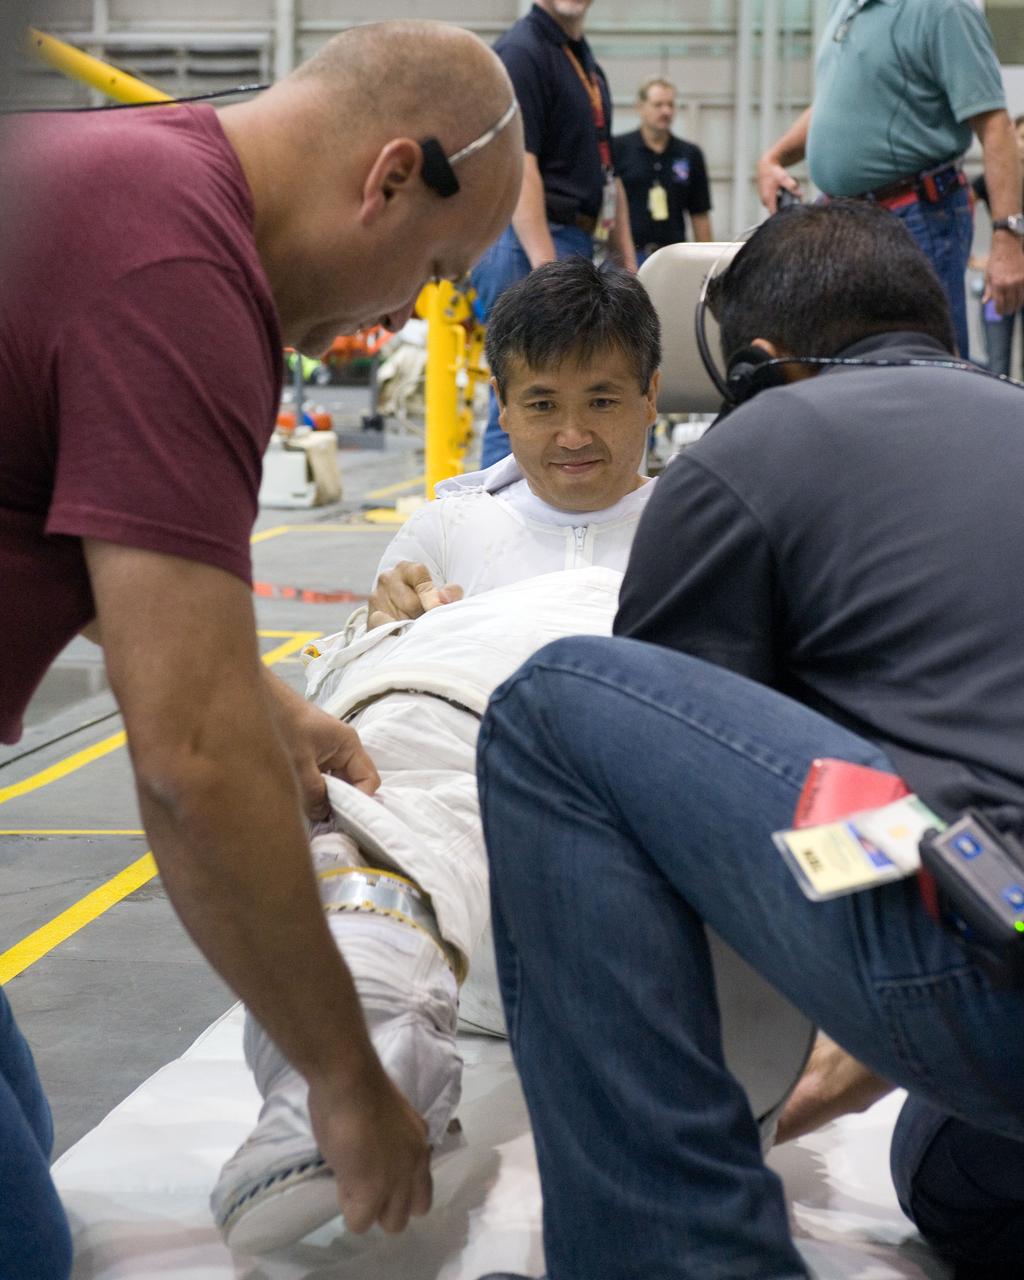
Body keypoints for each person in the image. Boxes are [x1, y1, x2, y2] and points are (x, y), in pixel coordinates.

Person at [0, 21, 523, 1274]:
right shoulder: (182, 277)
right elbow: (190, 761)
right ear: (389, 176)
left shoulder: (129, 176)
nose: (406, 308)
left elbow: (56, 504)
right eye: (434, 266)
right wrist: (346, 1076)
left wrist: (264, 699)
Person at [476, 202, 1024, 1280]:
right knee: (945, 1169)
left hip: (991, 945)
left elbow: (662, 804)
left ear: (763, 363)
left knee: (558, 712)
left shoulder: (757, 444)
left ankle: (671, 1251)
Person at [210, 564, 624, 1253]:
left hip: (569, 737)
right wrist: (380, 624)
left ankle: (363, 1040)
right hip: (448, 694)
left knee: (374, 816)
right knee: (383, 799)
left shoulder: (683, 531)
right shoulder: (457, 526)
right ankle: (367, 1036)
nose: (573, 445)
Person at [355, 257, 660, 635]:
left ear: (650, 396)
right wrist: (378, 630)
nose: (573, 437)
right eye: (543, 406)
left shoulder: (704, 535)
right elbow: (360, 683)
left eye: (601, 403)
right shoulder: (443, 536)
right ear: (503, 404)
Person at [756, 0, 1024, 361]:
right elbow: (833, 102)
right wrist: (773, 158)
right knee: (842, 361)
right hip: (843, 223)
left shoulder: (944, 10)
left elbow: (995, 126)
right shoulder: (848, 6)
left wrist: (1007, 237)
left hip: (914, 218)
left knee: (926, 365)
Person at [471, 0, 637, 470]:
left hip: (571, 238)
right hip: (531, 241)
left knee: (557, 389)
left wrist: (626, 259)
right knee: (525, 396)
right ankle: (497, 526)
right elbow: (520, 164)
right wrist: (548, 270)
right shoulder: (523, 53)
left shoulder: (581, 58)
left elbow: (609, 170)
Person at [613, 78, 713, 264]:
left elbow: (700, 213)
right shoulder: (618, 149)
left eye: (670, 105)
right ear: (640, 107)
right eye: (658, 105)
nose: (666, 111)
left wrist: (707, 262)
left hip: (673, 256)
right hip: (626, 256)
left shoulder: (689, 154)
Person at [972, 113, 1024, 378]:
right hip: (997, 285)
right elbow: (961, 206)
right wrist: (973, 259)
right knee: (997, 364)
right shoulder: (989, 181)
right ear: (1012, 137)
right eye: (1023, 137)